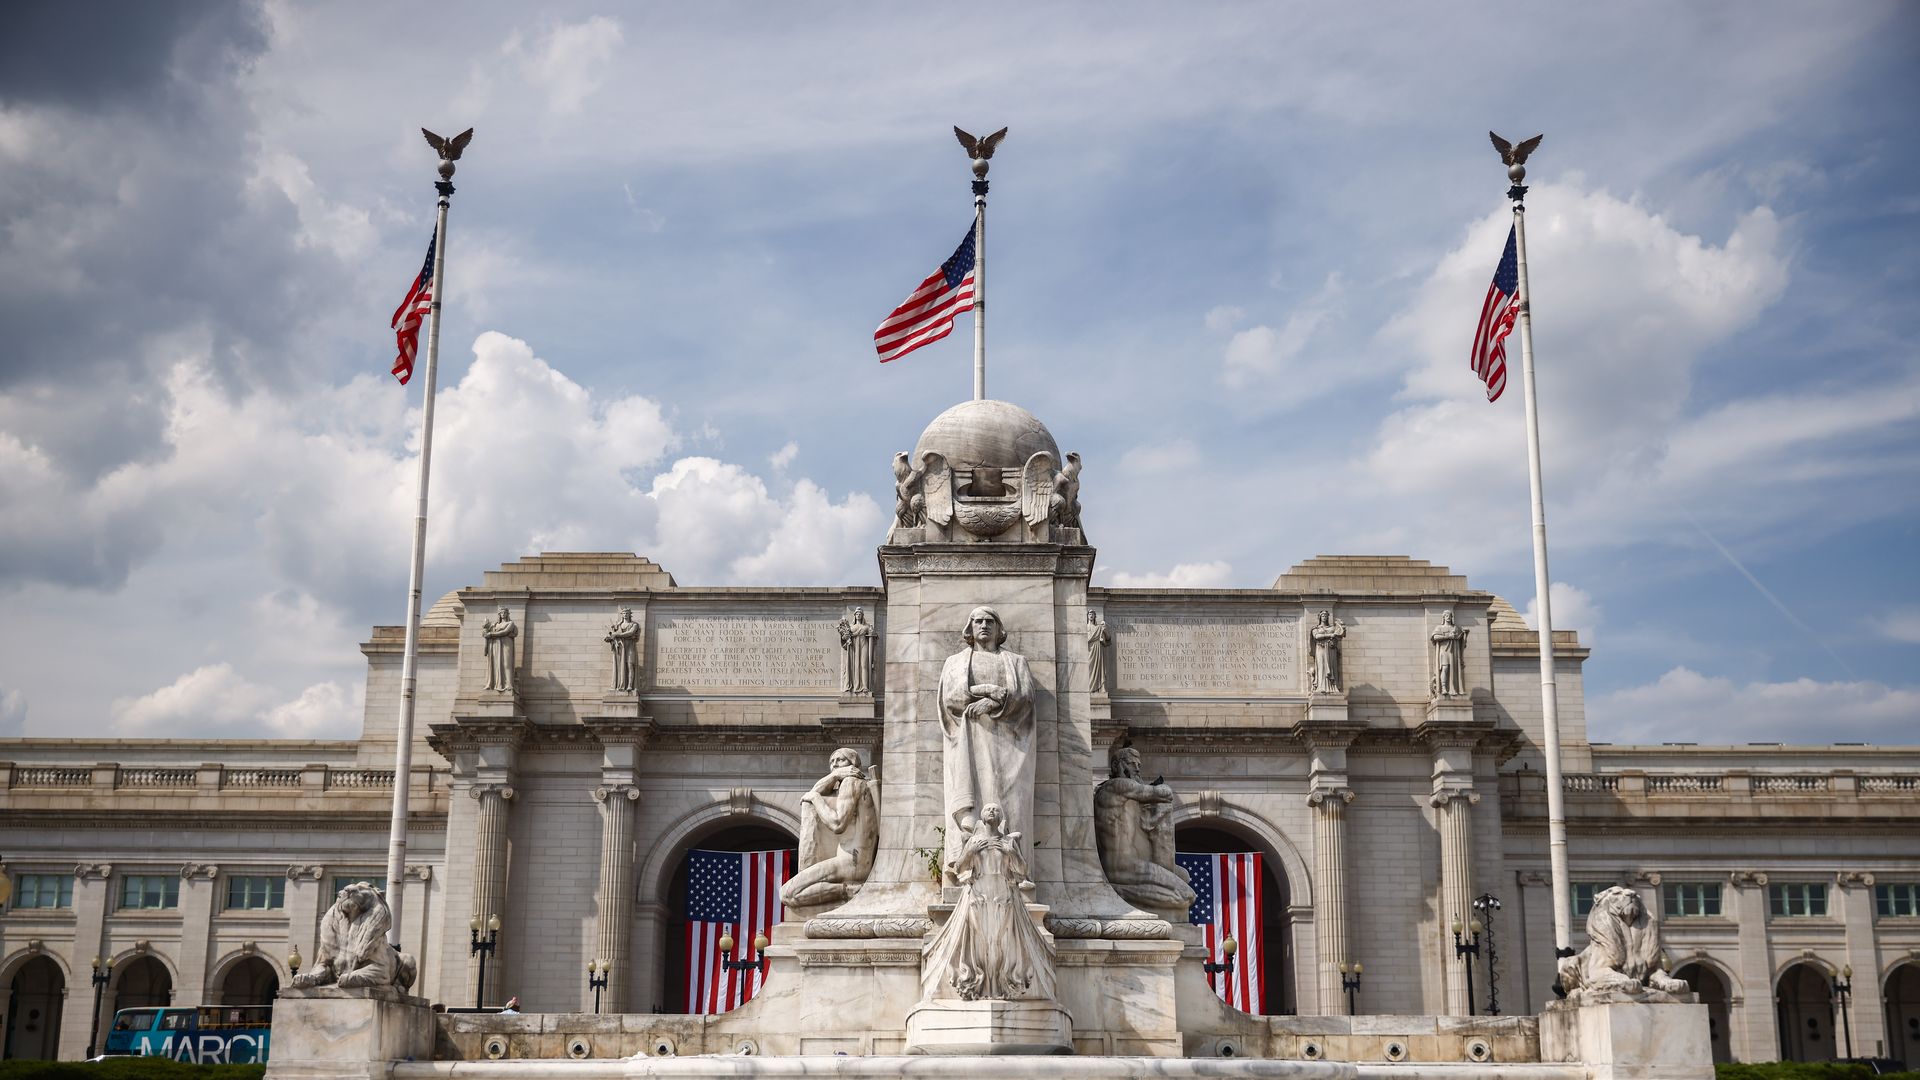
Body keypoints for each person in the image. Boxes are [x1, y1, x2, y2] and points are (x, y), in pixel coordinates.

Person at [937, 607, 1035, 877]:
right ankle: (965, 864)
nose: (984, 626)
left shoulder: (1016, 662)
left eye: (990, 621)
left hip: (1009, 745)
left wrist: (992, 704)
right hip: (969, 742)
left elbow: (1025, 697)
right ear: (970, 628)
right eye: (978, 621)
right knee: (971, 805)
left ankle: (1014, 870)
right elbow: (951, 698)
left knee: (1010, 801)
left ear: (998, 627)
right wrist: (988, 691)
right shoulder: (955, 662)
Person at [482, 607, 517, 693]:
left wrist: (491, 634)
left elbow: (505, 632)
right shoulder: (495, 625)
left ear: (507, 614)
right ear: (499, 615)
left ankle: (509, 685)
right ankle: (496, 684)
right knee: (497, 664)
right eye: (501, 613)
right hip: (496, 646)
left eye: (505, 613)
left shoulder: (511, 623)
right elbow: (485, 630)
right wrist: (486, 630)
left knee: (506, 664)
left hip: (506, 644)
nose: (503, 614)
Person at [605, 607, 640, 692]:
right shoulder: (618, 625)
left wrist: (617, 635)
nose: (625, 615)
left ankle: (630, 686)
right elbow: (614, 635)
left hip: (630, 646)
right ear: (622, 615)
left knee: (630, 665)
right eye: (624, 613)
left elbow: (630, 633)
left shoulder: (634, 624)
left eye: (627, 613)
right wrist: (610, 637)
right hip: (620, 648)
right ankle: (620, 684)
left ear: (630, 614)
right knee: (620, 666)